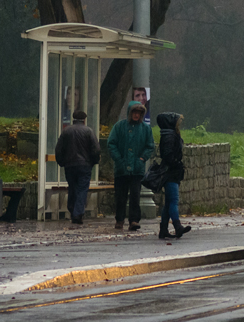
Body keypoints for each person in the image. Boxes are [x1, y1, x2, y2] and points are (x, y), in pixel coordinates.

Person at [108, 102, 154, 231]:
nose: (136, 115)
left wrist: (141, 159)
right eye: (134, 112)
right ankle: (120, 219)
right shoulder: (119, 127)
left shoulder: (145, 128)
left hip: (137, 169)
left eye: (138, 113)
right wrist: (119, 160)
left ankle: (134, 220)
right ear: (130, 113)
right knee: (120, 196)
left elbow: (150, 146)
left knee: (135, 195)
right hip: (121, 169)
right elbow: (111, 144)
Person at [55, 109, 101, 224]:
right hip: (85, 165)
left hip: (69, 165)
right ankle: (77, 213)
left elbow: (59, 149)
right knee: (82, 189)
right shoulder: (89, 131)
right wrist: (93, 162)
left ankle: (72, 210)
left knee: (72, 187)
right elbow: (96, 150)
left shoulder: (66, 131)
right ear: (84, 120)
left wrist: (61, 162)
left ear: (73, 119)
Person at [156, 112, 191, 240]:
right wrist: (176, 163)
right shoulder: (170, 136)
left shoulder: (168, 135)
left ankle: (163, 229)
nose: (179, 124)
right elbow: (168, 155)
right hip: (171, 173)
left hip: (171, 172)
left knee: (169, 202)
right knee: (174, 200)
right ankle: (177, 226)